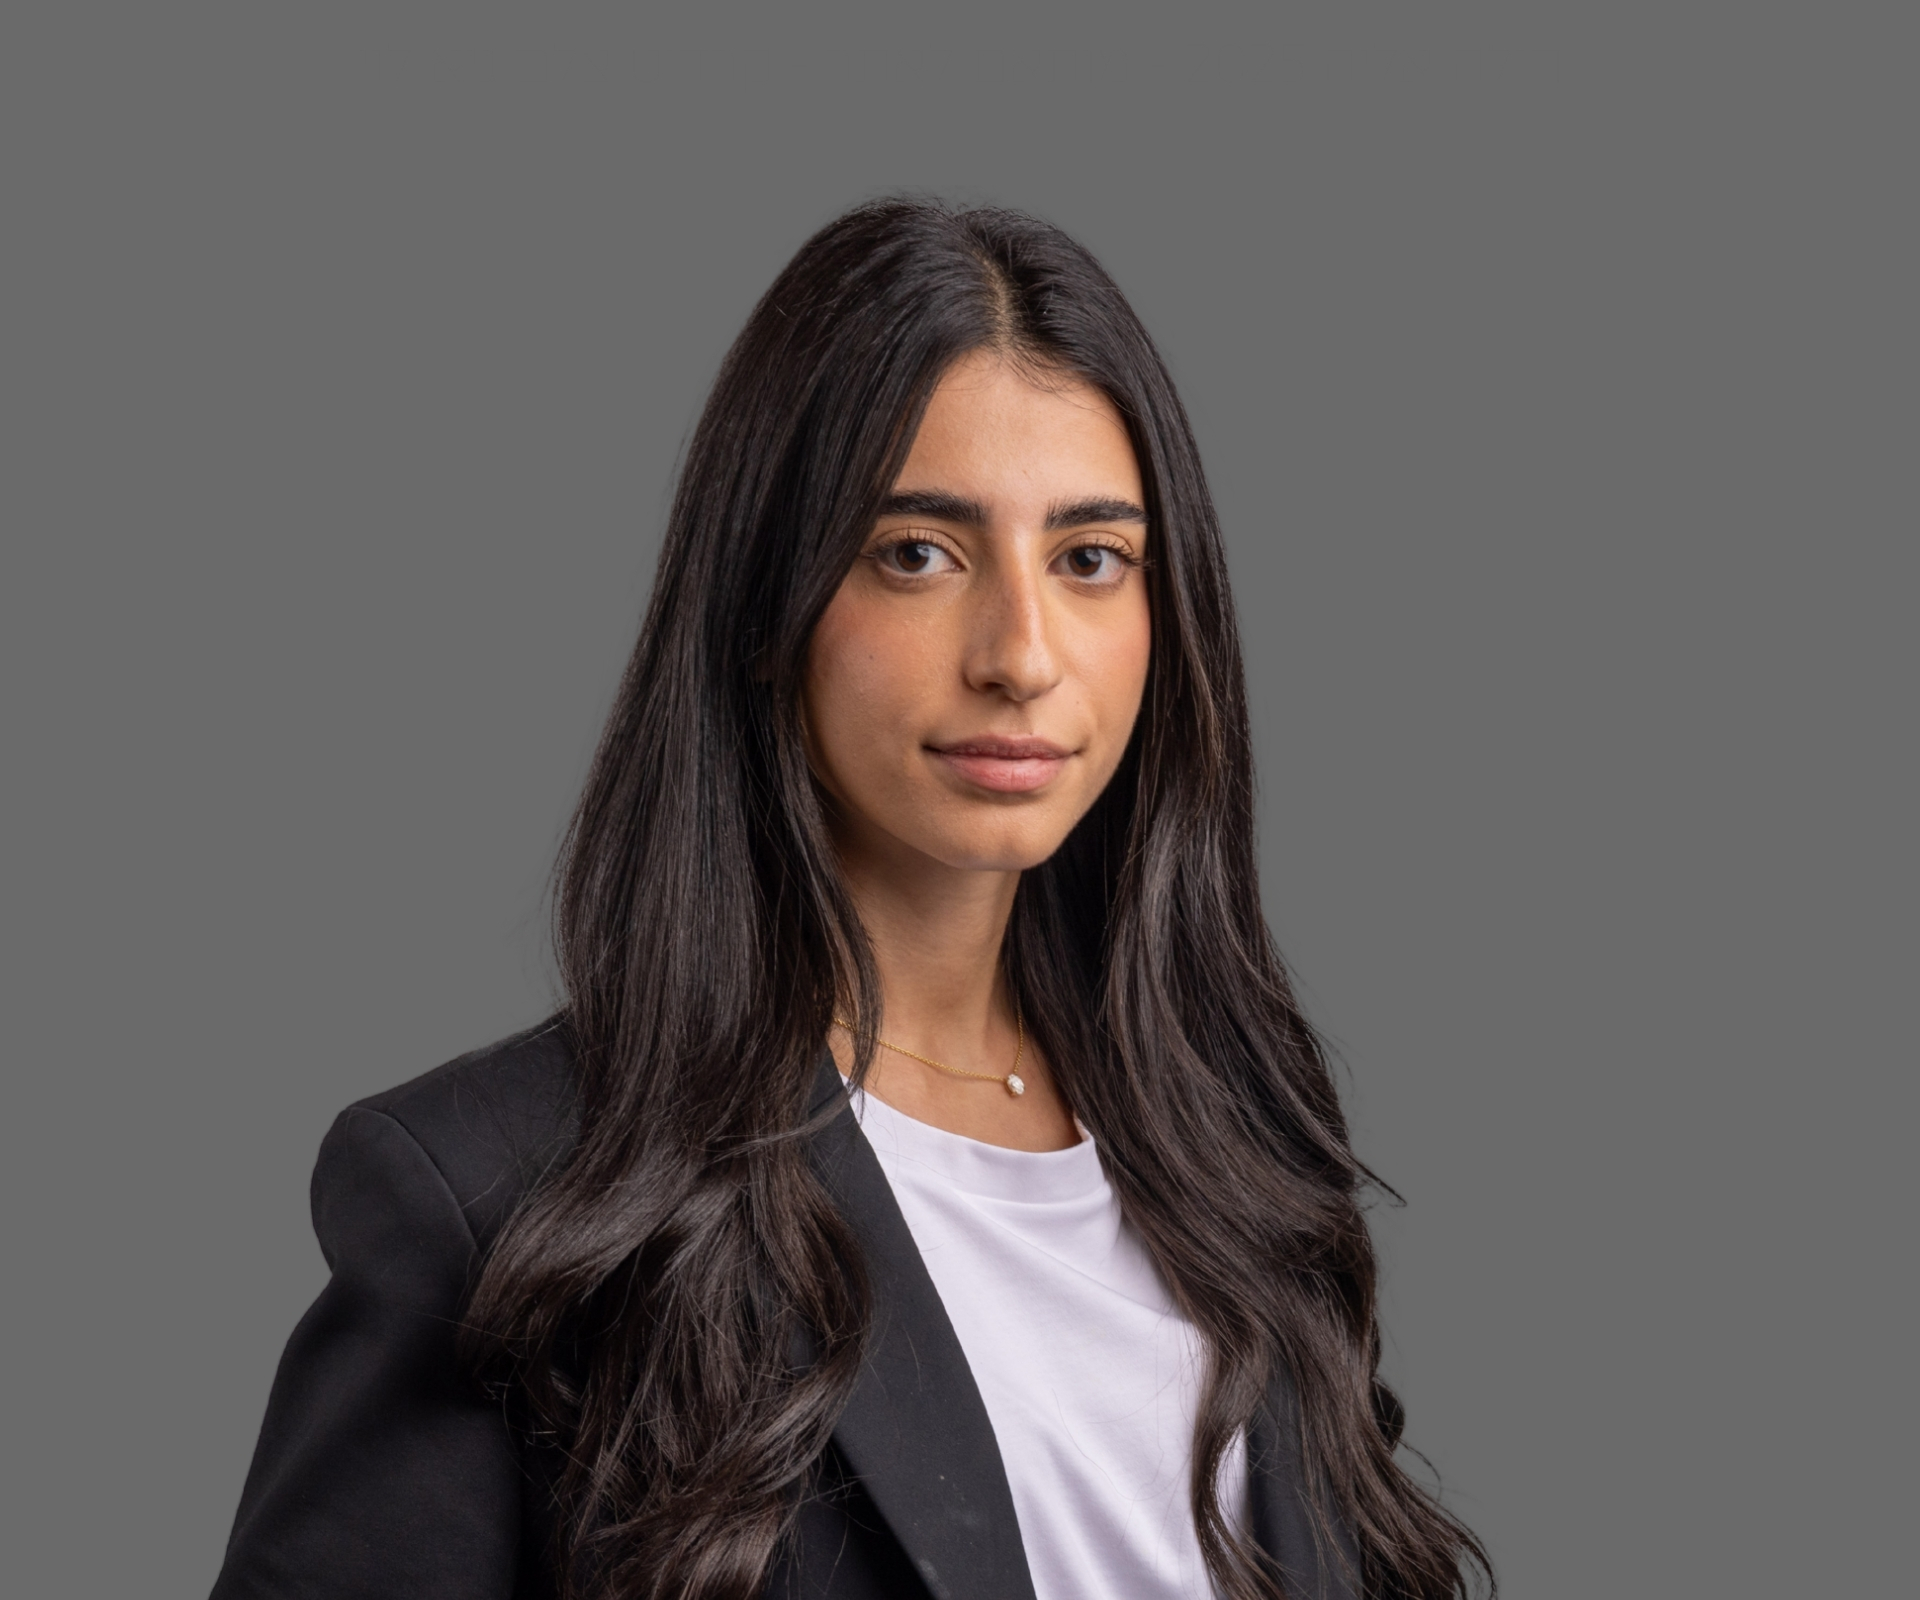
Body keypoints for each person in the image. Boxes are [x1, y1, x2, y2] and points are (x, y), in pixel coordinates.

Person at [210, 200, 1490, 1600]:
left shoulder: (1241, 1141)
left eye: (1090, 559)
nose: (1021, 655)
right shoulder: (501, 1196)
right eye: (919, 552)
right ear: (767, 606)